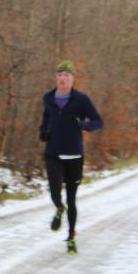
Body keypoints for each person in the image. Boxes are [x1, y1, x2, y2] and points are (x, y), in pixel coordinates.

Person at [39, 60, 103, 255]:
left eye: (67, 75)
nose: (63, 78)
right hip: (53, 153)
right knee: (55, 192)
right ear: (56, 77)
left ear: (73, 78)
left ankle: (71, 238)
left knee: (72, 198)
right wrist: (43, 132)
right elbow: (46, 118)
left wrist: (84, 125)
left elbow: (98, 121)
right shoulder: (48, 98)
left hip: (75, 154)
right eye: (60, 74)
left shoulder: (81, 99)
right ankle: (59, 208)